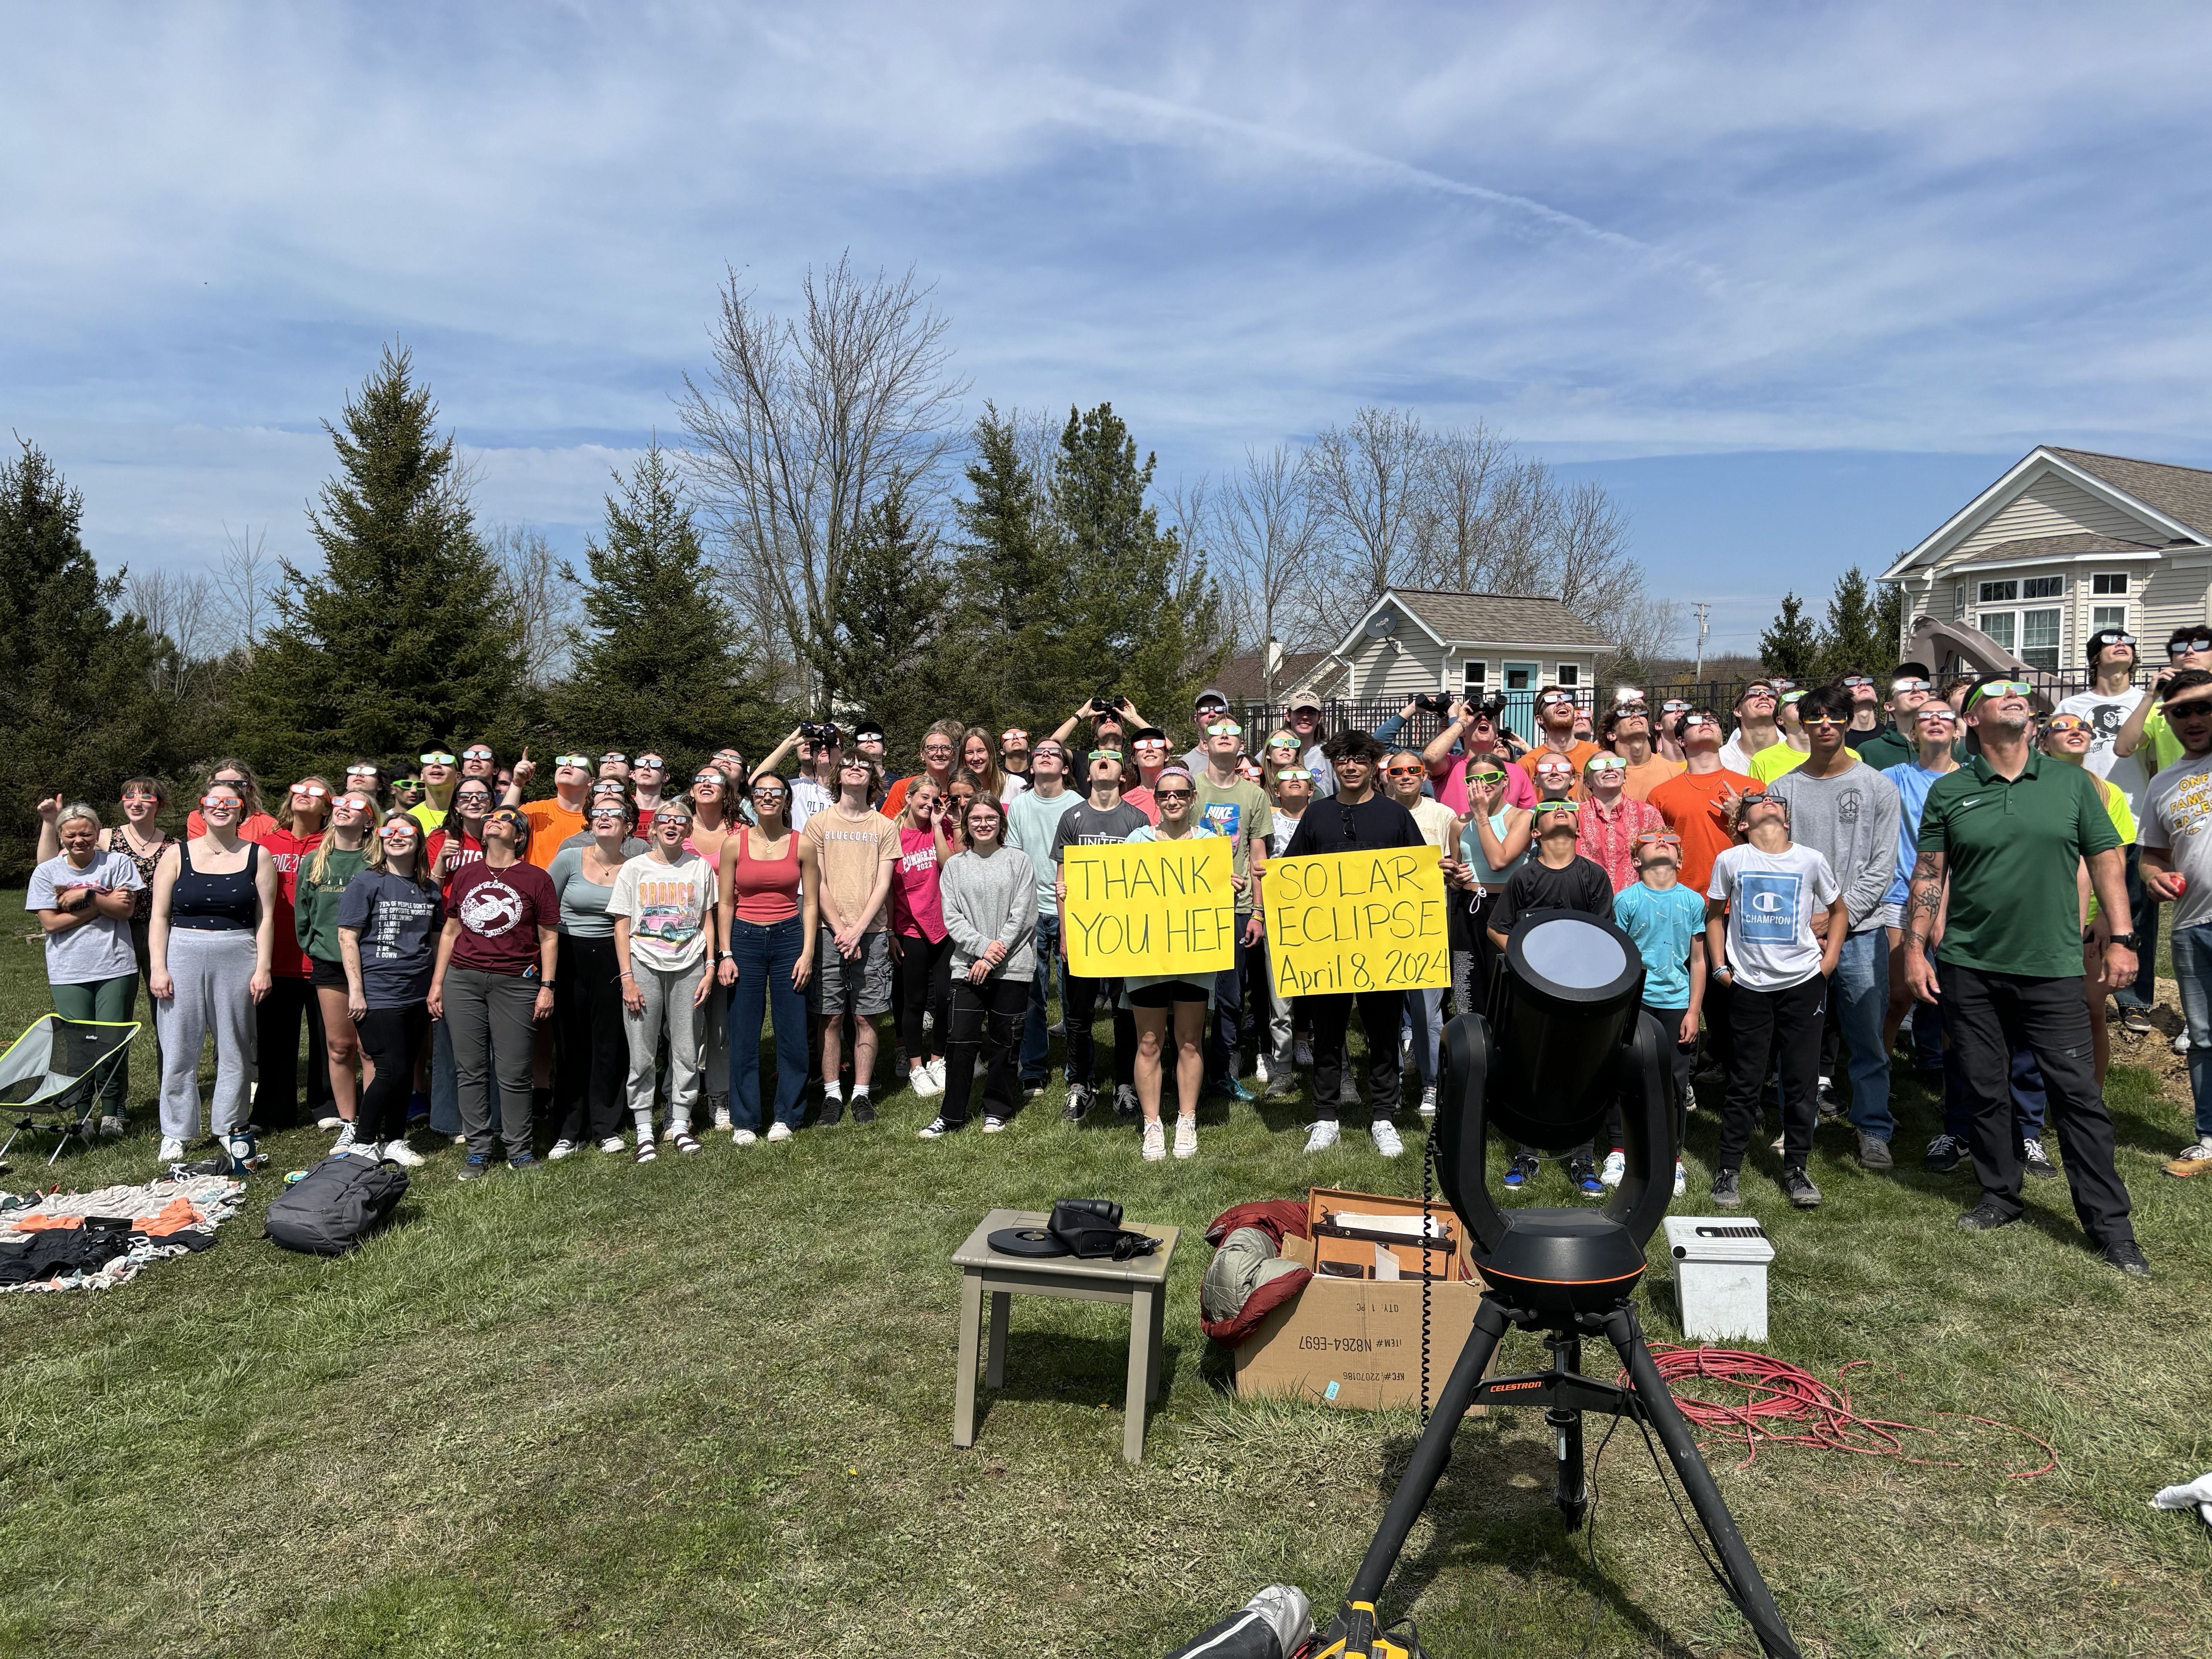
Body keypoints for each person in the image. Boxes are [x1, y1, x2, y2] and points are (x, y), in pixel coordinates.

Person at [1903, 676, 2146, 1274]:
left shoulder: (2071, 783)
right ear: (1973, 723)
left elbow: (2108, 865)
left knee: (2077, 1096)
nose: (2014, 695)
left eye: (2020, 692)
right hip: (1969, 965)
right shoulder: (1951, 792)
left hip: (2054, 966)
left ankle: (2110, 1226)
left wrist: (2121, 938)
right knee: (1985, 1088)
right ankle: (2000, 1194)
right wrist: (1914, 949)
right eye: (1997, 692)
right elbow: (1929, 874)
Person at [1769, 683, 1902, 1172]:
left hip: (1862, 935)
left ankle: (1873, 1130)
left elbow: (1882, 864)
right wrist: (1806, 916)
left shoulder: (1877, 787)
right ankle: (1796, 1127)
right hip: (1798, 935)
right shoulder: (1782, 790)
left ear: (1849, 722)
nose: (1826, 724)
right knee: (1795, 1041)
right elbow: (1773, 860)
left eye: (1835, 716)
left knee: (1867, 1039)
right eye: (1816, 716)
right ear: (1801, 724)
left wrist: (1838, 915)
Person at [1283, 730, 1424, 1157]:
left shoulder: (1396, 816)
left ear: (1372, 765)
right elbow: (1292, 873)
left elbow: (1417, 874)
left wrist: (1442, 875)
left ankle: (1384, 1115)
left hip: (1383, 945)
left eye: (1360, 759)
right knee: (1328, 1034)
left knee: (1382, 1032)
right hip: (1328, 948)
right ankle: (1326, 1116)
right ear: (1333, 764)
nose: (1351, 766)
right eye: (1343, 759)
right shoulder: (1316, 816)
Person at [1705, 789, 1845, 1211]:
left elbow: (1839, 911)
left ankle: (1797, 1168)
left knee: (1800, 1082)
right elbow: (1713, 915)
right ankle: (1729, 1169)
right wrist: (1719, 967)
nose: (1768, 801)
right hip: (1748, 986)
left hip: (1804, 983)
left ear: (1787, 820)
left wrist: (1829, 962)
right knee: (1745, 1081)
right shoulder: (1732, 860)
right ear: (1742, 823)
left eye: (1775, 801)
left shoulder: (1810, 859)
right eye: (1757, 801)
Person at [1487, 799, 1616, 1193]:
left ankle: (1583, 1160)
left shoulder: (1594, 876)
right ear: (1536, 832)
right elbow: (1497, 928)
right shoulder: (1524, 878)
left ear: (1579, 829)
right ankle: (1528, 1154)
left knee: (1582, 1070)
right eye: (1549, 808)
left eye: (1567, 807)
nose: (1560, 809)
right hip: (1534, 994)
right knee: (1532, 1069)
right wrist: (1531, 962)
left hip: (1583, 993)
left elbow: (1606, 936)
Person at [148, 778, 278, 1164]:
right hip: (182, 951)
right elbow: (158, 915)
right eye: (213, 801)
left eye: (230, 801)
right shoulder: (176, 855)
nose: (221, 807)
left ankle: (230, 1125)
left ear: (242, 809)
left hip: (238, 951)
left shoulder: (259, 855)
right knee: (178, 1047)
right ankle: (175, 1132)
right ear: (201, 809)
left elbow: (267, 917)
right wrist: (159, 967)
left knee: (235, 1045)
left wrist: (263, 968)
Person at [428, 807, 558, 1178]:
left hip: (517, 983)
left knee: (514, 1071)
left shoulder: (536, 878)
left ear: (519, 836)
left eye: (505, 819)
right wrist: (438, 983)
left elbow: (549, 937)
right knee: (470, 1069)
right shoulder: (467, 874)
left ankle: (519, 1150)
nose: (493, 820)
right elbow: (451, 932)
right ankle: (478, 1150)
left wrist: (547, 986)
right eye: (491, 819)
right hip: (463, 980)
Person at [1120, 768, 1235, 1159]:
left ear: (1192, 797)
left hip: (1195, 954)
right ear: (1156, 799)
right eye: (1165, 794)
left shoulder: (1210, 842)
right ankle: (1153, 1124)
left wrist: (1229, 884)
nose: (1172, 800)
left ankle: (1187, 1119)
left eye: (1180, 794)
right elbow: (1115, 890)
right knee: (1149, 1042)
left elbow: (1220, 891)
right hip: (1146, 954)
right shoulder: (1136, 839)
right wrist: (1079, 887)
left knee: (1189, 1040)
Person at [607, 799, 719, 1159]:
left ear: (688, 831)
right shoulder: (634, 869)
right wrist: (627, 977)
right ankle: (644, 1128)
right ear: (652, 828)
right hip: (643, 964)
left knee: (687, 1048)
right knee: (641, 1051)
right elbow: (622, 924)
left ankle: (681, 1124)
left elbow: (707, 919)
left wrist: (711, 965)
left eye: (680, 821)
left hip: (689, 964)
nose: (672, 825)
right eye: (665, 820)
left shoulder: (700, 868)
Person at [922, 794, 1037, 1140]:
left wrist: (992, 958)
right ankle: (951, 1114)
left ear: (1001, 824)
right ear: (967, 824)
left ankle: (997, 1110)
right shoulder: (956, 866)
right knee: (960, 1042)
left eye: (990, 818)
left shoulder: (1019, 861)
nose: (983, 824)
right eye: (976, 819)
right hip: (967, 968)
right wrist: (982, 950)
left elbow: (1025, 916)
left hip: (1012, 968)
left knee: (1005, 1043)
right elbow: (952, 918)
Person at [2134, 668, 2212, 1179]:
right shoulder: (2163, 782)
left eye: (2203, 705)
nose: (2193, 718)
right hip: (2192, 925)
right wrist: (2154, 875)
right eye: (2179, 711)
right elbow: (2152, 856)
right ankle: (2208, 1139)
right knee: (2205, 1038)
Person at [1879, 703, 1966, 1154]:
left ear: (1958, 730)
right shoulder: (1893, 777)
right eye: (1927, 717)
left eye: (1945, 716)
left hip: (1960, 900)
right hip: (1898, 897)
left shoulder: (1971, 780)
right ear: (1913, 732)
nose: (1936, 721)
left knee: (1957, 1003)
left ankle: (1958, 1097)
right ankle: (1879, 1089)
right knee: (1898, 996)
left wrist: (1947, 906)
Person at [27, 802, 144, 1137]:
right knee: (78, 1043)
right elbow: (51, 923)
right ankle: (83, 1114)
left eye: (86, 833)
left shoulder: (117, 863)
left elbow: (125, 911)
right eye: (71, 834)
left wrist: (83, 895)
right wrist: (98, 907)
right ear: (61, 836)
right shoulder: (47, 872)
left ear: (97, 833)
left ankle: (112, 1111)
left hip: (115, 965)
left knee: (113, 1039)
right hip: (69, 970)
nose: (79, 840)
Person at [2062, 629, 2157, 1036]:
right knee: (2080, 908)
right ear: (2094, 657)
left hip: (2134, 818)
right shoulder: (2072, 705)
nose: (2123, 644)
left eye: (2129, 641)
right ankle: (2078, 983)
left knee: (2136, 912)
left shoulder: (2150, 704)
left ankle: (2135, 1000)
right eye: (2110, 640)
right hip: (2078, 821)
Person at [1050, 747, 1152, 1122]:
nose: (1104, 759)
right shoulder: (1072, 817)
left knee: (1126, 1012)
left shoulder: (1138, 819)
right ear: (1088, 773)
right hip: (1083, 931)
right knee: (1079, 1015)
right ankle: (1080, 1085)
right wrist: (1064, 933)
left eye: (1112, 755)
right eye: (1096, 756)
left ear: (1123, 775)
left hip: (1125, 932)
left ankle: (1125, 1086)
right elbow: (1061, 883)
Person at [716, 772, 818, 1144]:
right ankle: (745, 1120)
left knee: (791, 1031)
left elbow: (811, 904)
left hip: (790, 937)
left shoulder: (803, 845)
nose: (769, 798)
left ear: (786, 800)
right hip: (744, 939)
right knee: (744, 1032)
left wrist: (808, 952)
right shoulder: (734, 845)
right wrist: (726, 953)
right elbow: (726, 902)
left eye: (776, 792)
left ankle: (787, 1116)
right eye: (761, 792)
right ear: (753, 800)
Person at [336, 814, 443, 1167]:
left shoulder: (428, 888)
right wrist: (356, 991)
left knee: (406, 1066)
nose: (396, 837)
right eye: (388, 831)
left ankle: (394, 1139)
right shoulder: (366, 883)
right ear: (379, 839)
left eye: (405, 832)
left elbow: (435, 938)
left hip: (417, 991)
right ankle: (364, 1141)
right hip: (379, 990)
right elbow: (347, 936)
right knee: (390, 1070)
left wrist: (435, 986)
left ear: (419, 839)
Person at [804, 754, 901, 1123]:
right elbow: (818, 881)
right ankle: (832, 1094)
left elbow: (884, 883)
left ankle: (861, 1093)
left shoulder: (884, 826)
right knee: (829, 1016)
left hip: (872, 934)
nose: (855, 768)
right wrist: (841, 930)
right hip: (829, 933)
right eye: (848, 764)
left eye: (863, 764)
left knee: (866, 1016)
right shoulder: (819, 823)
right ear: (838, 775)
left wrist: (859, 929)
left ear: (873, 776)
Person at [2042, 710, 2135, 1091]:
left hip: (2089, 920)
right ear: (2043, 740)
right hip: (2038, 914)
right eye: (2062, 726)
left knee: (2092, 1009)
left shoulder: (2106, 791)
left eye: (2083, 726)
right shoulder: (2029, 784)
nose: (2075, 730)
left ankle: (2090, 1095)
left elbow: (2116, 859)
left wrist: (2106, 921)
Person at [1608, 830, 1700, 1198]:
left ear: (1680, 861)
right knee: (1623, 1074)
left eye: (1670, 840)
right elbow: (1618, 957)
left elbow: (1697, 960)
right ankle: (1618, 1151)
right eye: (1651, 839)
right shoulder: (1626, 900)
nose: (1661, 840)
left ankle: (1671, 1160)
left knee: (1674, 1083)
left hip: (1677, 1002)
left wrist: (1694, 1010)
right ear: (1636, 861)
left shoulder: (1692, 901)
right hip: (1634, 1002)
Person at [546, 798, 636, 1158]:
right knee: (571, 1044)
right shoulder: (570, 858)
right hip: (570, 955)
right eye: (598, 814)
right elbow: (545, 910)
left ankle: (605, 1126)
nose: (604, 818)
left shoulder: (634, 867)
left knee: (609, 1044)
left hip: (614, 959)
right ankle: (569, 1129)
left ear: (628, 826)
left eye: (613, 814)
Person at [34, 779, 173, 1009]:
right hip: (115, 929)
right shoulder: (106, 837)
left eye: (146, 797)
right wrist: (51, 823)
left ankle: (167, 1047)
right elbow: (51, 866)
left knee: (165, 1005)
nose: (136, 803)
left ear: (160, 804)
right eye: (130, 797)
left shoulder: (174, 845)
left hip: (158, 930)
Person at [294, 790, 379, 1149]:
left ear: (370, 819)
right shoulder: (315, 861)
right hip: (329, 963)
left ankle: (374, 1124)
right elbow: (303, 916)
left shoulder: (379, 862)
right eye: (341, 802)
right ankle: (349, 1122)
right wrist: (315, 947)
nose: (345, 807)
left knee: (370, 1048)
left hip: (373, 964)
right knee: (339, 1046)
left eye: (357, 804)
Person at [1194, 715, 1271, 1102]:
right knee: (1188, 996)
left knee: (1229, 999)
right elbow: (1175, 848)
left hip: (1239, 909)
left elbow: (1258, 857)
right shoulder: (1191, 790)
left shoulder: (1255, 796)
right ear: (1203, 744)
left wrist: (1258, 913)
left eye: (1233, 732)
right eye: (1215, 732)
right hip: (1193, 910)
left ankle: (1221, 1074)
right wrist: (1210, 879)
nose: (1224, 736)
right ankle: (1185, 1071)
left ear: (1242, 745)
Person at [1008, 738, 1082, 1096]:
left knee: (1074, 995)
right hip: (1032, 912)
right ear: (1031, 766)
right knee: (1032, 994)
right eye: (1040, 753)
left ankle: (1077, 1068)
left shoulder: (1079, 806)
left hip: (1073, 912)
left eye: (1055, 752)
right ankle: (1033, 1068)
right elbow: (1014, 859)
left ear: (1066, 769)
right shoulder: (1019, 807)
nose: (1046, 755)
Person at [1384, 748, 1456, 1115]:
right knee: (1387, 1010)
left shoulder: (1443, 815)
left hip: (1428, 923)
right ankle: (1390, 1083)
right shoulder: (1378, 813)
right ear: (1388, 777)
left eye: (1414, 769)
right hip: (1381, 925)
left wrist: (1449, 868)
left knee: (1428, 1010)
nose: (1406, 775)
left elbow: (1457, 864)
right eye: (1398, 771)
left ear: (1425, 775)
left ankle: (1432, 1083)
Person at [1445, 757, 1533, 1024]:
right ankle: (1469, 1048)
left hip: (1506, 907)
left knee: (1504, 983)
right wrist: (1454, 878)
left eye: (1491, 779)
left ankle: (1505, 1048)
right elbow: (1455, 872)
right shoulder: (1459, 824)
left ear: (1505, 781)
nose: (1482, 786)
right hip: (1469, 906)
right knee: (1465, 985)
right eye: (1473, 780)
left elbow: (1499, 861)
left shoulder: (1523, 817)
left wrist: (1482, 815)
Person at [890, 778, 957, 1101]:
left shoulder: (941, 827)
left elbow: (949, 866)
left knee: (945, 997)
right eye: (924, 798)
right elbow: (887, 887)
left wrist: (936, 825)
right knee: (914, 1000)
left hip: (943, 925)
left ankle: (938, 1059)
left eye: (934, 799)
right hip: (910, 928)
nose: (929, 804)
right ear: (909, 797)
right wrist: (891, 931)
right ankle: (916, 1067)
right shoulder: (893, 832)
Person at [1257, 761, 1321, 1096]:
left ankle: (1336, 1071)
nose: (1293, 780)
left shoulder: (1325, 816)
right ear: (1276, 789)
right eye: (1285, 776)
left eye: (1301, 777)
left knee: (1325, 997)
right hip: (1278, 916)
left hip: (1321, 919)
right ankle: (1283, 1071)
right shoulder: (1266, 821)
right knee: (1280, 1001)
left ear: (1312, 790)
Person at [1573, 753, 1665, 893]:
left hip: (1637, 904)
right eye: (1599, 765)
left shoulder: (1647, 814)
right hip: (1586, 904)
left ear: (1624, 777)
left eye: (1617, 763)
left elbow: (1663, 862)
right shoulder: (1575, 816)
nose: (1609, 768)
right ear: (1587, 782)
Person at [510, 751, 592, 871]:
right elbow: (500, 822)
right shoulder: (537, 811)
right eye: (563, 761)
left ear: (591, 781)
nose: (568, 765)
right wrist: (517, 784)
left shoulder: (597, 819)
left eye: (579, 763)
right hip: (536, 888)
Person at [1852, 665, 1941, 772]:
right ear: (1889, 706)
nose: (1916, 689)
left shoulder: (1950, 746)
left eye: (1922, 685)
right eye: (1904, 687)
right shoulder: (1869, 752)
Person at [1516, 688, 1601, 795]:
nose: (1561, 702)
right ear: (1540, 719)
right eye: (1551, 700)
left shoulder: (1598, 755)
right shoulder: (1526, 764)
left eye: (1566, 699)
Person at [881, 721, 963, 821]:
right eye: (932, 748)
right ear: (922, 754)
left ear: (954, 755)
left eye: (946, 748)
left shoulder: (961, 790)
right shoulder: (903, 787)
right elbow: (885, 828)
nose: (939, 753)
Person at [1603, 703, 1683, 802]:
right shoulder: (1600, 776)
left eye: (1641, 714)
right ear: (1612, 735)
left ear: (1648, 731)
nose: (1636, 716)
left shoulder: (1675, 773)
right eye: (1625, 714)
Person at [183, 759, 276, 842]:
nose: (229, 789)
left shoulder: (268, 824)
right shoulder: (198, 818)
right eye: (220, 783)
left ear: (248, 787)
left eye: (237, 784)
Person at [1717, 682, 1783, 775]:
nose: (1764, 696)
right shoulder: (1720, 761)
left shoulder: (1797, 754)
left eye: (1771, 694)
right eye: (1753, 693)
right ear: (1738, 711)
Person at [1281, 691, 1339, 796]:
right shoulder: (1271, 753)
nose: (1305, 717)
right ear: (1288, 716)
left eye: (1311, 712)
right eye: (1299, 711)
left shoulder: (1330, 755)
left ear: (1319, 718)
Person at [410, 749, 459, 833]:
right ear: (422, 775)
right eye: (429, 760)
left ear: (458, 776)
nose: (436, 764)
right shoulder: (410, 819)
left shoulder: (469, 816)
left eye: (446, 760)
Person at [629, 751, 671, 818]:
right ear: (633, 775)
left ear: (665, 777)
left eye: (655, 764)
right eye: (641, 764)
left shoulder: (672, 813)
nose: (646, 767)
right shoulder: (620, 808)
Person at [998, 728, 1033, 799]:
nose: (1015, 738)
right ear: (1002, 751)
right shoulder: (997, 777)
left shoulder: (1038, 774)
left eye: (1021, 735)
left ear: (1028, 748)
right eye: (1008, 737)